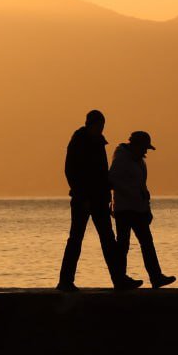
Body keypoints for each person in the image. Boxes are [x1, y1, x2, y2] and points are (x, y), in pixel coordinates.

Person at [58, 110, 141, 290]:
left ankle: (119, 279)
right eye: (99, 126)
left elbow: (102, 174)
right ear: (90, 124)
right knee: (76, 239)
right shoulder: (78, 142)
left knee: (108, 239)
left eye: (102, 126)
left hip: (99, 199)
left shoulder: (98, 142)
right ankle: (65, 281)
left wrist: (107, 196)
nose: (101, 129)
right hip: (83, 200)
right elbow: (71, 172)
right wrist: (82, 196)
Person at [109, 130, 176, 289]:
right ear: (136, 145)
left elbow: (143, 188)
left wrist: (147, 208)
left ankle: (156, 277)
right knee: (123, 244)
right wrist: (132, 195)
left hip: (138, 209)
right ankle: (121, 279)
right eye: (144, 147)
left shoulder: (140, 161)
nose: (146, 151)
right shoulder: (121, 159)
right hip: (124, 209)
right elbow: (112, 181)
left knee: (147, 243)